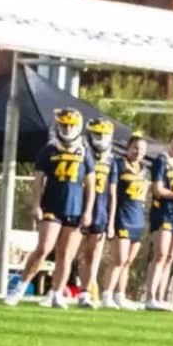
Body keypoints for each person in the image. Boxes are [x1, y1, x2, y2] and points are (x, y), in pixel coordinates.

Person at [2, 108, 94, 308]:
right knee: (43, 248)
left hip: (75, 207)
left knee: (66, 254)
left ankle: (56, 293)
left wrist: (88, 211)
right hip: (52, 205)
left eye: (71, 125)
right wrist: (36, 204)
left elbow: (91, 186)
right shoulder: (49, 150)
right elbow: (37, 181)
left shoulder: (85, 151)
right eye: (64, 125)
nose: (67, 129)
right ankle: (19, 288)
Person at [142, 126, 173, 311]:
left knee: (170, 256)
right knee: (160, 254)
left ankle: (161, 297)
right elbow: (158, 190)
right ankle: (150, 296)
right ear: (170, 142)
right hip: (163, 212)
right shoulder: (162, 161)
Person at [102, 129, 149, 310]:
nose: (139, 152)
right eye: (135, 148)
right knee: (118, 259)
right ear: (128, 148)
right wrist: (111, 222)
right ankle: (107, 294)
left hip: (137, 218)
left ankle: (120, 295)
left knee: (128, 261)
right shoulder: (118, 164)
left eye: (142, 150)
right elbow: (112, 193)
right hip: (122, 217)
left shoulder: (144, 170)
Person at [75, 119, 115, 309]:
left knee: (93, 254)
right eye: (97, 134)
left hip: (100, 210)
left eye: (104, 135)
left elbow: (113, 193)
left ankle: (86, 291)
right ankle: (60, 288)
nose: (101, 139)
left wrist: (111, 220)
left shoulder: (111, 160)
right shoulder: (82, 154)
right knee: (73, 253)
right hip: (79, 209)